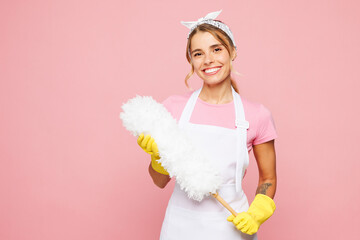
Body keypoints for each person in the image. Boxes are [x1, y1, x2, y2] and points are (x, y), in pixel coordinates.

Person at [137, 10, 277, 240]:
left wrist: (257, 213)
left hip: (231, 228)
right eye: (198, 53)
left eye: (217, 49)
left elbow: (268, 179)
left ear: (232, 51)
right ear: (190, 60)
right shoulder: (173, 108)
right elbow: (159, 181)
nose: (208, 60)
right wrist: (157, 158)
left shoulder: (257, 115)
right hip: (179, 228)